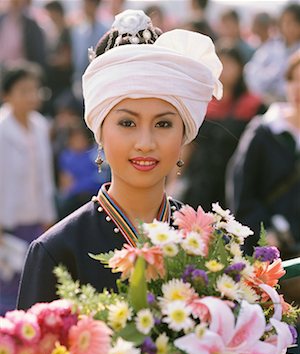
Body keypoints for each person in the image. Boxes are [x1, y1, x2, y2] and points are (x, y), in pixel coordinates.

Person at [17, 9, 223, 310]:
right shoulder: (57, 251)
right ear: (100, 131)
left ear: (184, 136)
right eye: (127, 123)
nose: (145, 143)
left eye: (163, 124)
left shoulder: (208, 241)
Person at [171, 43, 264, 210]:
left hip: (236, 182)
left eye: (230, 64)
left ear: (240, 67)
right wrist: (175, 178)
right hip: (201, 179)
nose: (225, 70)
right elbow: (189, 145)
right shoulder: (201, 102)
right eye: (220, 64)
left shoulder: (253, 106)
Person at [227, 49, 300, 259]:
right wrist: (265, 232)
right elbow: (241, 193)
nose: (298, 88)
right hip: (267, 252)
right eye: (293, 79)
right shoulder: (263, 131)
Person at [0, 62, 56, 314]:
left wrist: (49, 215)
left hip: (37, 219)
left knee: (33, 287)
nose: (31, 96)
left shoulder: (41, 126)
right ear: (7, 95)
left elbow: (46, 175)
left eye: (35, 90)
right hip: (7, 224)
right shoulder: (2, 129)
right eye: (24, 91)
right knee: (8, 290)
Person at [244, 2, 300, 104]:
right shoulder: (270, 48)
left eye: (295, 23)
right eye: (286, 22)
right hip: (264, 101)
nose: (290, 27)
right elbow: (251, 73)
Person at [56, 122, 110, 219]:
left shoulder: (96, 154)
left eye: (80, 138)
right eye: (74, 138)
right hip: (74, 199)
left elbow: (101, 177)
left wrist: (80, 186)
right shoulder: (66, 156)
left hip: (94, 196)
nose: (78, 141)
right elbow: (66, 183)